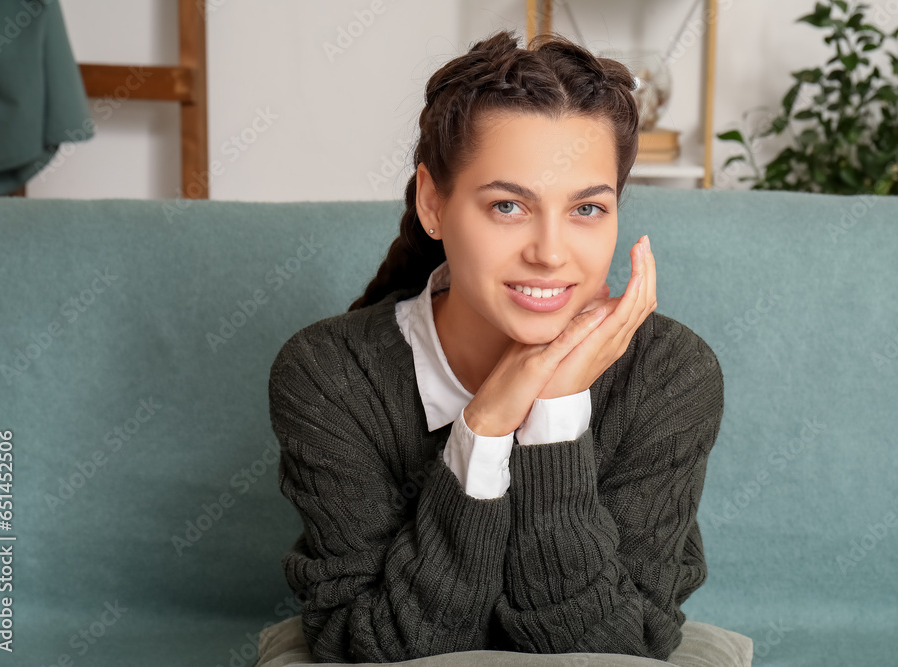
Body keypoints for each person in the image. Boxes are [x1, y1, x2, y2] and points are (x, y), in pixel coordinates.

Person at [268, 28, 725, 664]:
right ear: (433, 202)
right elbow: (384, 648)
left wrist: (556, 412)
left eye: (587, 209)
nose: (551, 253)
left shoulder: (669, 372)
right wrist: (482, 429)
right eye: (508, 206)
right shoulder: (328, 375)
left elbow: (617, 649)